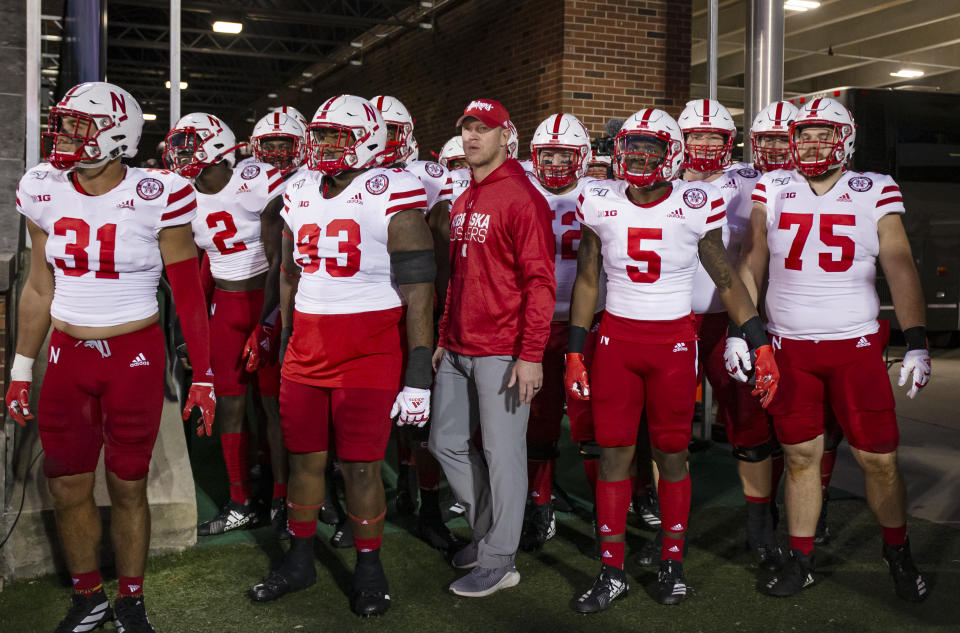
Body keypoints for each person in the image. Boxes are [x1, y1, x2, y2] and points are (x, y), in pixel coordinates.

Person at [6, 81, 216, 633]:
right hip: (68, 355)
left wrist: (205, 376)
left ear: (117, 133)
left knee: (127, 484)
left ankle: (131, 598)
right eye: (64, 122)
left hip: (134, 357)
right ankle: (87, 597)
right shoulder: (42, 187)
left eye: (78, 124)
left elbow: (187, 291)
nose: (64, 135)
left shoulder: (159, 191)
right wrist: (21, 368)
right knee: (66, 483)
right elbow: (37, 285)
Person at [566, 108, 779, 611]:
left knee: (672, 455)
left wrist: (758, 339)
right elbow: (589, 279)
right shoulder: (599, 199)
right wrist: (576, 350)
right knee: (614, 453)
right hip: (616, 342)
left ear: (673, 154)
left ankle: (673, 561)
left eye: (651, 149)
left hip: (674, 345)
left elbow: (727, 280)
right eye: (632, 148)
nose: (639, 158)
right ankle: (611, 569)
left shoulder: (693, 203)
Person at [735, 97, 930, 601]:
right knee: (800, 456)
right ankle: (801, 559)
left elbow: (899, 263)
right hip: (789, 345)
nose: (813, 145)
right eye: (804, 135)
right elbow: (753, 260)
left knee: (878, 459)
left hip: (855, 345)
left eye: (824, 134)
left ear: (846, 139)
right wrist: (742, 328)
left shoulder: (875, 188)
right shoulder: (774, 185)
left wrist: (916, 341)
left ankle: (898, 553)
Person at [248, 94, 435, 617]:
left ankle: (370, 568)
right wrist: (282, 335)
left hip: (368, 347)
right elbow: (288, 272)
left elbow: (420, 288)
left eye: (339, 136)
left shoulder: (393, 189)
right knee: (305, 458)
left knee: (360, 466)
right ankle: (301, 558)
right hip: (306, 341)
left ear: (370, 139)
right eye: (323, 135)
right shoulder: (301, 187)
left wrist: (418, 372)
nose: (326, 146)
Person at [429, 98, 556, 597]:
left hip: (503, 351)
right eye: (466, 128)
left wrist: (530, 355)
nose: (472, 136)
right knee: (445, 442)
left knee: (503, 454)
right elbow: (457, 279)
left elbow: (541, 283)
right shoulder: (465, 198)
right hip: (458, 348)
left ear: (508, 135)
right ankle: (489, 537)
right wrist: (442, 337)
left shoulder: (523, 198)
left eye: (484, 129)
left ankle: (501, 559)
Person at [163, 113, 286, 537]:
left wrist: (270, 321)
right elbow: (200, 268)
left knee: (273, 406)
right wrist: (188, 327)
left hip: (266, 302)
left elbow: (281, 262)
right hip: (225, 307)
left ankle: (283, 497)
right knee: (230, 404)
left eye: (189, 143)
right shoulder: (182, 196)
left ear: (217, 147)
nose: (179, 154)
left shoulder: (256, 182)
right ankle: (239, 500)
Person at [678, 99, 782, 570]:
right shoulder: (655, 176)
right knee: (661, 419)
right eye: (693, 135)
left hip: (729, 317)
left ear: (730, 142)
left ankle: (761, 521)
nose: (701, 145)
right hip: (670, 317)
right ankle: (650, 502)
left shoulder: (750, 181)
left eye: (712, 137)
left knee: (748, 419)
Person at [371, 94, 461, 553]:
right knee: (370, 410)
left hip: (414, 308)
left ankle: (427, 501)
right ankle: (396, 490)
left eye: (392, 130)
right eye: (378, 128)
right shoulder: (337, 182)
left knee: (419, 408)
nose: (384, 140)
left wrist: (445, 315)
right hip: (363, 311)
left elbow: (443, 256)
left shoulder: (428, 177)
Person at [520, 112, 600, 552]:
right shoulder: (521, 192)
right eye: (546, 152)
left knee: (590, 424)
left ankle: (605, 509)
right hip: (534, 324)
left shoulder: (601, 194)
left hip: (586, 324)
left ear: (583, 157)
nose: (553, 161)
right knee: (538, 422)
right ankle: (541, 504)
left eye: (563, 153)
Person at [245, 109, 311, 534]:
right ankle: (276, 486)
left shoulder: (320, 182)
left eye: (281, 144)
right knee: (269, 401)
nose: (272, 153)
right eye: (266, 144)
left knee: (313, 408)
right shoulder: (244, 182)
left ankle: (315, 492)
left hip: (320, 307)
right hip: (274, 302)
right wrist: (271, 323)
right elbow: (276, 267)